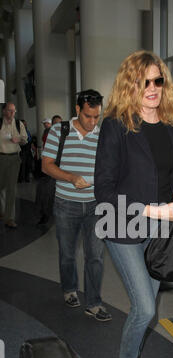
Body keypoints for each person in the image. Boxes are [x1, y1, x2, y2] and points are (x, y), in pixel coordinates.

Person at [94, 50, 173, 358]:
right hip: (124, 228)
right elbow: (105, 193)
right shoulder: (116, 125)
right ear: (131, 83)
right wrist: (155, 211)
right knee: (144, 308)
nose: (153, 88)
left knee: (148, 308)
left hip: (160, 230)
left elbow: (165, 179)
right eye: (145, 81)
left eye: (158, 80)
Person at [42, 89, 111, 322]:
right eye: (88, 116)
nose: (92, 122)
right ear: (77, 110)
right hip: (65, 203)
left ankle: (93, 302)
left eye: (97, 117)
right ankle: (70, 289)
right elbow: (47, 165)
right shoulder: (58, 131)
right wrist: (71, 178)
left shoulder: (101, 134)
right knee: (67, 253)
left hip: (94, 205)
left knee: (96, 256)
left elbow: (107, 168)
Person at [0, 102, 28, 228]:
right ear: (3, 111)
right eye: (10, 110)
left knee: (11, 188)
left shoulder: (18, 124)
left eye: (14, 111)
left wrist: (19, 140)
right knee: (1, 187)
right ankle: (2, 211)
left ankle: (9, 218)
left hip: (14, 158)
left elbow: (25, 139)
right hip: (1, 157)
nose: (12, 113)